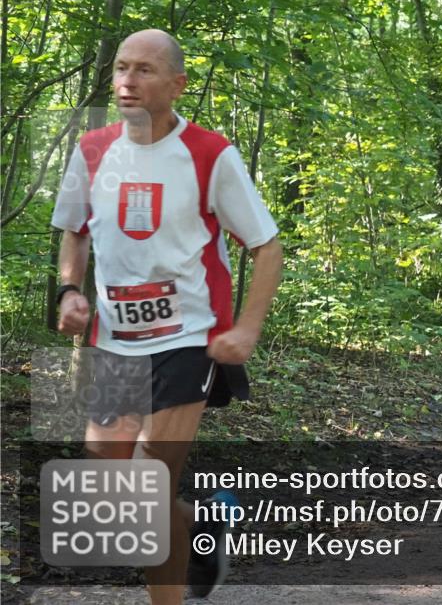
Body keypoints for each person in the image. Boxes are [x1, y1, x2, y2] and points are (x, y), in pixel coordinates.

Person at [52, 29, 283, 603]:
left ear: (177, 84)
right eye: (123, 68)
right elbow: (74, 232)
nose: (128, 80)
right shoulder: (92, 150)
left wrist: (247, 327)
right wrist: (69, 290)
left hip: (188, 338)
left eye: (145, 70)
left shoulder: (210, 154)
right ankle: (205, 525)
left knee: (149, 484)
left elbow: (267, 246)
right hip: (113, 341)